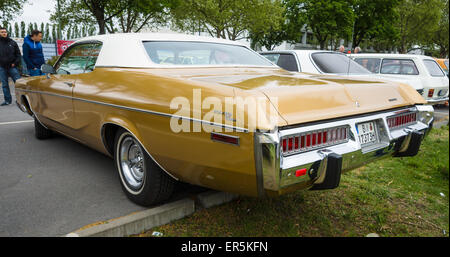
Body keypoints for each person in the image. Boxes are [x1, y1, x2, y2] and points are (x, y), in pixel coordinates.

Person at [0, 27, 21, 106]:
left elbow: (18, 54)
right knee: (5, 85)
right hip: (2, 67)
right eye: (2, 32)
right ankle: (7, 101)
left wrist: (15, 63)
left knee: (18, 83)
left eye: (5, 32)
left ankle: (20, 100)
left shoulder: (12, 42)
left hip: (12, 67)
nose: (4, 33)